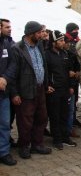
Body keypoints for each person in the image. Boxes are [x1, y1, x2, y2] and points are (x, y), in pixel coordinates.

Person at [10, 21, 52, 159]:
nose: (41, 35)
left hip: (39, 89)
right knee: (25, 121)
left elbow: (43, 65)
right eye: (39, 32)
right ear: (30, 33)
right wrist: (14, 93)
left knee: (41, 117)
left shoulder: (39, 45)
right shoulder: (17, 48)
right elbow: (13, 73)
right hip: (25, 91)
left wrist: (46, 85)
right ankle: (24, 146)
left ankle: (37, 144)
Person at [45, 30, 77, 150]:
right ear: (54, 42)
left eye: (63, 40)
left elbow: (69, 71)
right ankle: (57, 139)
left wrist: (71, 86)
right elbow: (45, 72)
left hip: (64, 89)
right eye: (60, 40)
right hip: (54, 90)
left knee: (65, 114)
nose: (63, 42)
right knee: (55, 115)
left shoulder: (64, 54)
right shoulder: (47, 54)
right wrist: (47, 85)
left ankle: (65, 137)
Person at [0, 20, 17, 166]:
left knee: (5, 124)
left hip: (3, 93)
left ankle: (4, 152)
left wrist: (4, 78)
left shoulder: (7, 43)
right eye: (7, 27)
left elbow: (13, 63)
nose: (9, 29)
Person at [65, 22, 81, 129]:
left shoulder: (77, 41)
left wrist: (78, 70)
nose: (76, 32)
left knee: (75, 98)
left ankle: (73, 119)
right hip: (68, 75)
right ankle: (68, 123)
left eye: (77, 30)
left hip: (76, 74)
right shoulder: (66, 42)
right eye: (74, 30)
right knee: (69, 101)